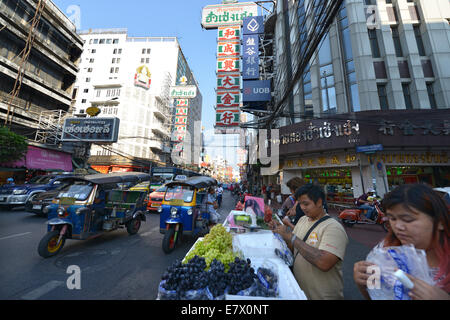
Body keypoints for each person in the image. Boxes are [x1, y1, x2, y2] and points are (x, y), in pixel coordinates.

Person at [353, 184, 450, 300]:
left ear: (439, 221)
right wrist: (363, 283)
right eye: (392, 219)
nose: (398, 227)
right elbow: (376, 295)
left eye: (408, 219)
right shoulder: (385, 252)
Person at [270, 183, 349, 300]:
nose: (302, 208)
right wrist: (281, 234)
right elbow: (294, 249)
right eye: (300, 203)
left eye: (306, 203)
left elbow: (324, 262)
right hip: (299, 292)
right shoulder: (302, 220)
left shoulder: (333, 228)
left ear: (319, 202)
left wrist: (291, 237)